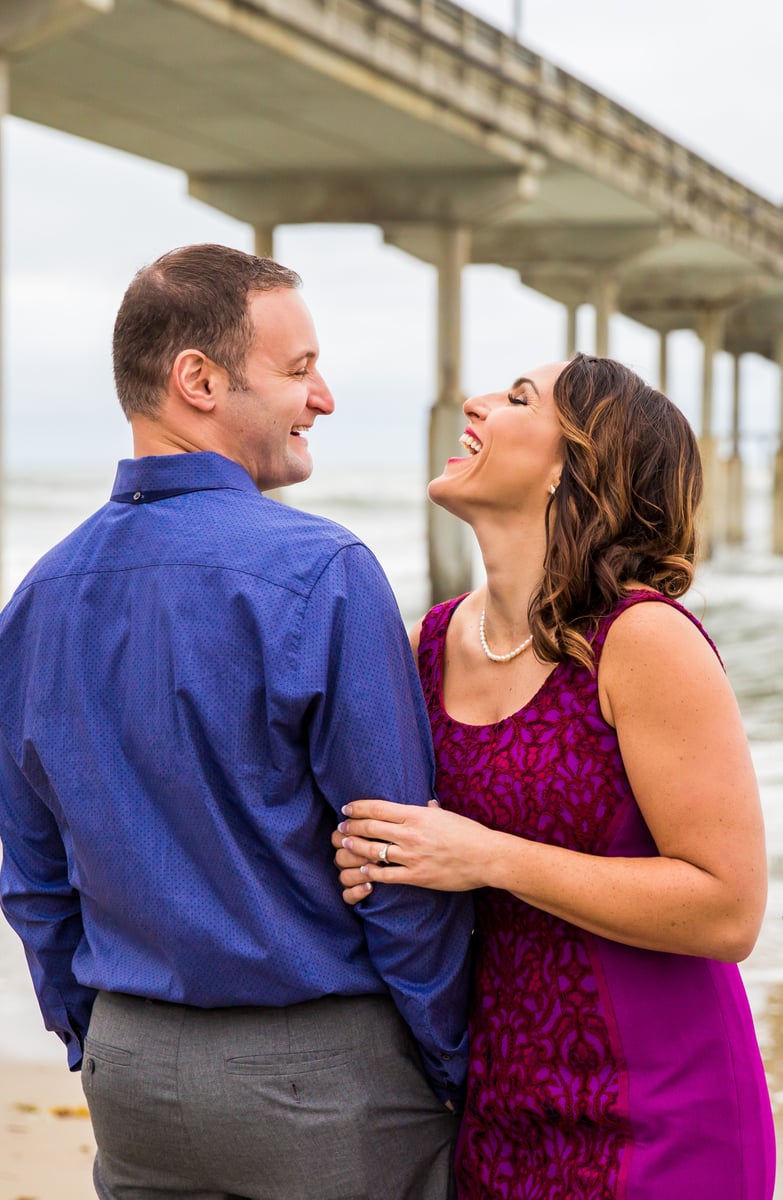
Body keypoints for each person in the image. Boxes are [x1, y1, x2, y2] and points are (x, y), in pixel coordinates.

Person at [0, 243, 473, 1200]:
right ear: (198, 381)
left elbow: (35, 880)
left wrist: (96, 1035)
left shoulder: (33, 600)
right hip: (321, 1074)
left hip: (132, 1074)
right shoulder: (323, 572)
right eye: (298, 370)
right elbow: (393, 858)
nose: (323, 399)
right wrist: (451, 1057)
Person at [333, 354, 776, 1199]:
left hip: (661, 1110)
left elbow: (727, 909)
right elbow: (420, 844)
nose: (474, 402)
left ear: (572, 466)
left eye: (516, 398)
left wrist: (487, 856)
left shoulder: (643, 640)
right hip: (494, 1104)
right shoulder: (427, 643)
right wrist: (371, 853)